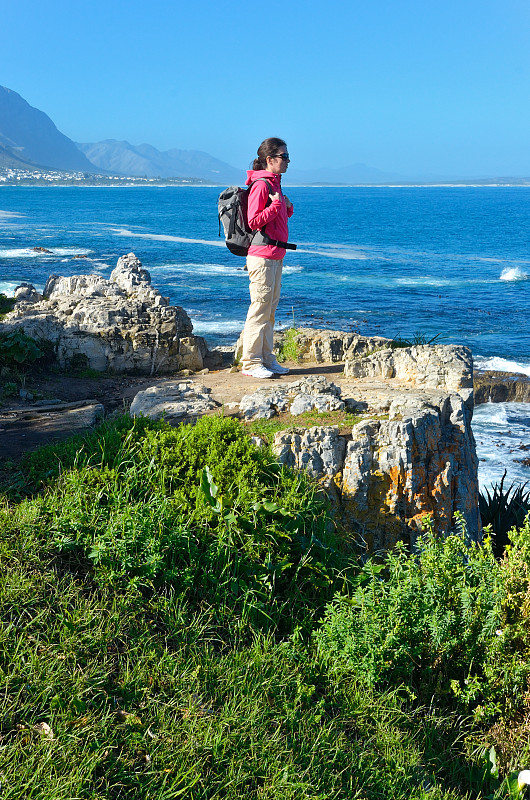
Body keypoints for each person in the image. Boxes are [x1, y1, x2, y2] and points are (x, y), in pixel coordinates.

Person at [240, 137, 294, 379]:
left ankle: (266, 359)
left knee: (269, 310)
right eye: (283, 156)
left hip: (276, 254)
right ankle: (251, 363)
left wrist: (284, 206)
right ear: (270, 159)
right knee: (259, 310)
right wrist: (275, 207)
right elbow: (253, 221)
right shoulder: (262, 185)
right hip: (262, 256)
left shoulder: (275, 185)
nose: (288, 161)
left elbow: (279, 215)